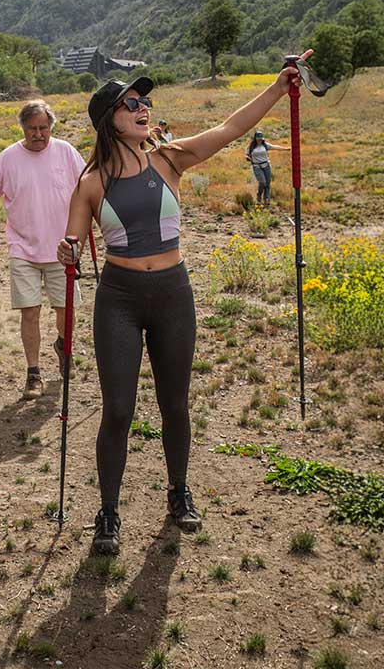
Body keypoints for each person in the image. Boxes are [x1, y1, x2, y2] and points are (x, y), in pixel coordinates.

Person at [58, 53, 312, 556]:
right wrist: (67, 249)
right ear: (108, 118)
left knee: (176, 404)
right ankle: (108, 510)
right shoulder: (91, 183)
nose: (143, 107)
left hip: (173, 293)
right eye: (131, 103)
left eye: (146, 100)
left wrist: (278, 89)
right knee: (118, 410)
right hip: (119, 300)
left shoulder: (170, 158)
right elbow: (71, 238)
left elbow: (230, 127)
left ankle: (178, 490)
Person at [0, 100, 86, 400]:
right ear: (22, 129)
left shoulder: (66, 152)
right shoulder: (7, 158)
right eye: (32, 130)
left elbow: (86, 186)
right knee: (30, 312)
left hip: (63, 248)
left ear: (51, 127)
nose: (38, 135)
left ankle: (63, 346)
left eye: (44, 128)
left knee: (66, 310)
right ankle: (33, 373)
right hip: (23, 248)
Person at [245, 129, 289, 206]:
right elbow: (246, 154)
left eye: (261, 138)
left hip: (266, 165)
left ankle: (266, 199)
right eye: (258, 138)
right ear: (255, 138)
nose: (260, 140)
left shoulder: (265, 145)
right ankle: (259, 196)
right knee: (262, 182)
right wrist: (248, 158)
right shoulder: (251, 147)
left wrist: (285, 149)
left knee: (267, 183)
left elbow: (275, 147)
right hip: (257, 166)